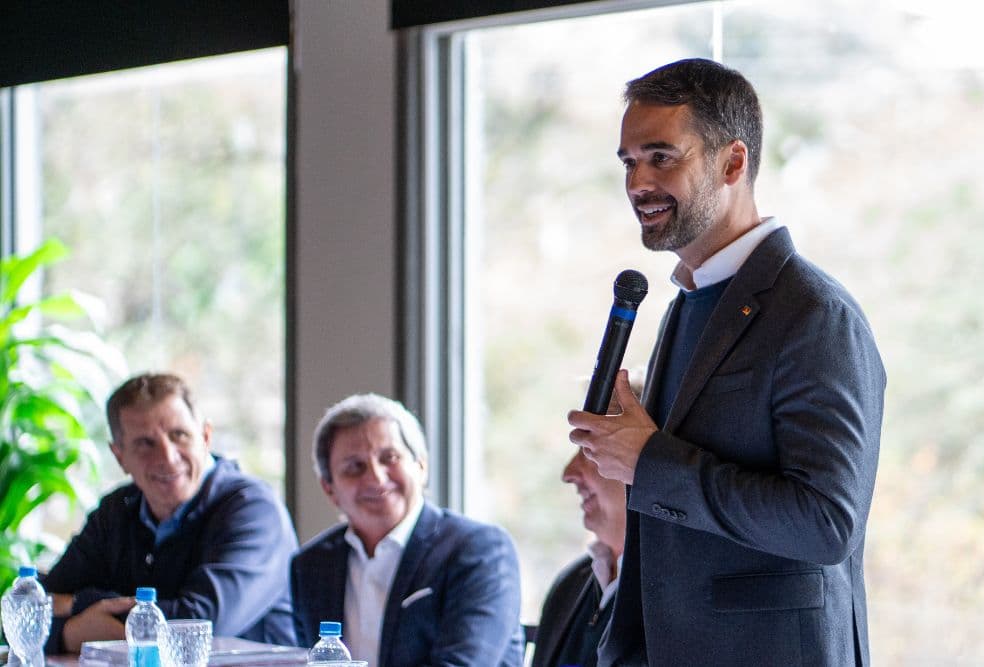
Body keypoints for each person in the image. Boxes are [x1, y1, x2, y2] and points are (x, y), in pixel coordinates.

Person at [567, 58, 886, 667]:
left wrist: (650, 461)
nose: (638, 182)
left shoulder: (815, 314)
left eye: (662, 157)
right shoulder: (686, 305)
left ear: (733, 162)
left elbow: (825, 523)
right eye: (629, 162)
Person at [42, 372, 298, 653]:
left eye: (179, 435)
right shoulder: (117, 511)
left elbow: (198, 625)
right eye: (145, 444)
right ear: (120, 456)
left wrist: (80, 605)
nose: (167, 457)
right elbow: (30, 610)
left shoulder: (253, 510)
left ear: (206, 436)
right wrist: (71, 633)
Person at [290, 392, 523, 667]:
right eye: (354, 467)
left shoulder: (479, 550)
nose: (376, 477)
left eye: (389, 457)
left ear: (421, 466)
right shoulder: (310, 566)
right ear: (329, 489)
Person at [532, 377, 641, 667]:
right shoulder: (570, 585)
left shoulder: (678, 593)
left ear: (637, 456)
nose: (569, 473)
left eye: (588, 449)